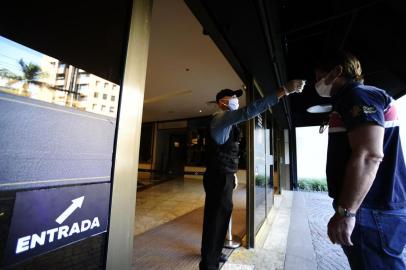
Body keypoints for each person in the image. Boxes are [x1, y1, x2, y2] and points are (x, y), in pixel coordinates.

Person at [199, 79, 305, 270]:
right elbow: (251, 111)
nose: (235, 101)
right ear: (222, 102)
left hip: (223, 175)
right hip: (218, 177)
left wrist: (231, 175)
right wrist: (283, 91)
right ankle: (208, 264)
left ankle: (213, 254)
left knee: (220, 217)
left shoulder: (228, 123)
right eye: (232, 97)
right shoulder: (221, 118)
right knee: (215, 220)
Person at [314, 51, 406, 269]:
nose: (317, 83)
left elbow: (369, 155)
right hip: (373, 209)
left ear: (336, 71)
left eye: (318, 76)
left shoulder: (358, 96)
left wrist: (347, 212)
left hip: (372, 209)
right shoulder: (357, 97)